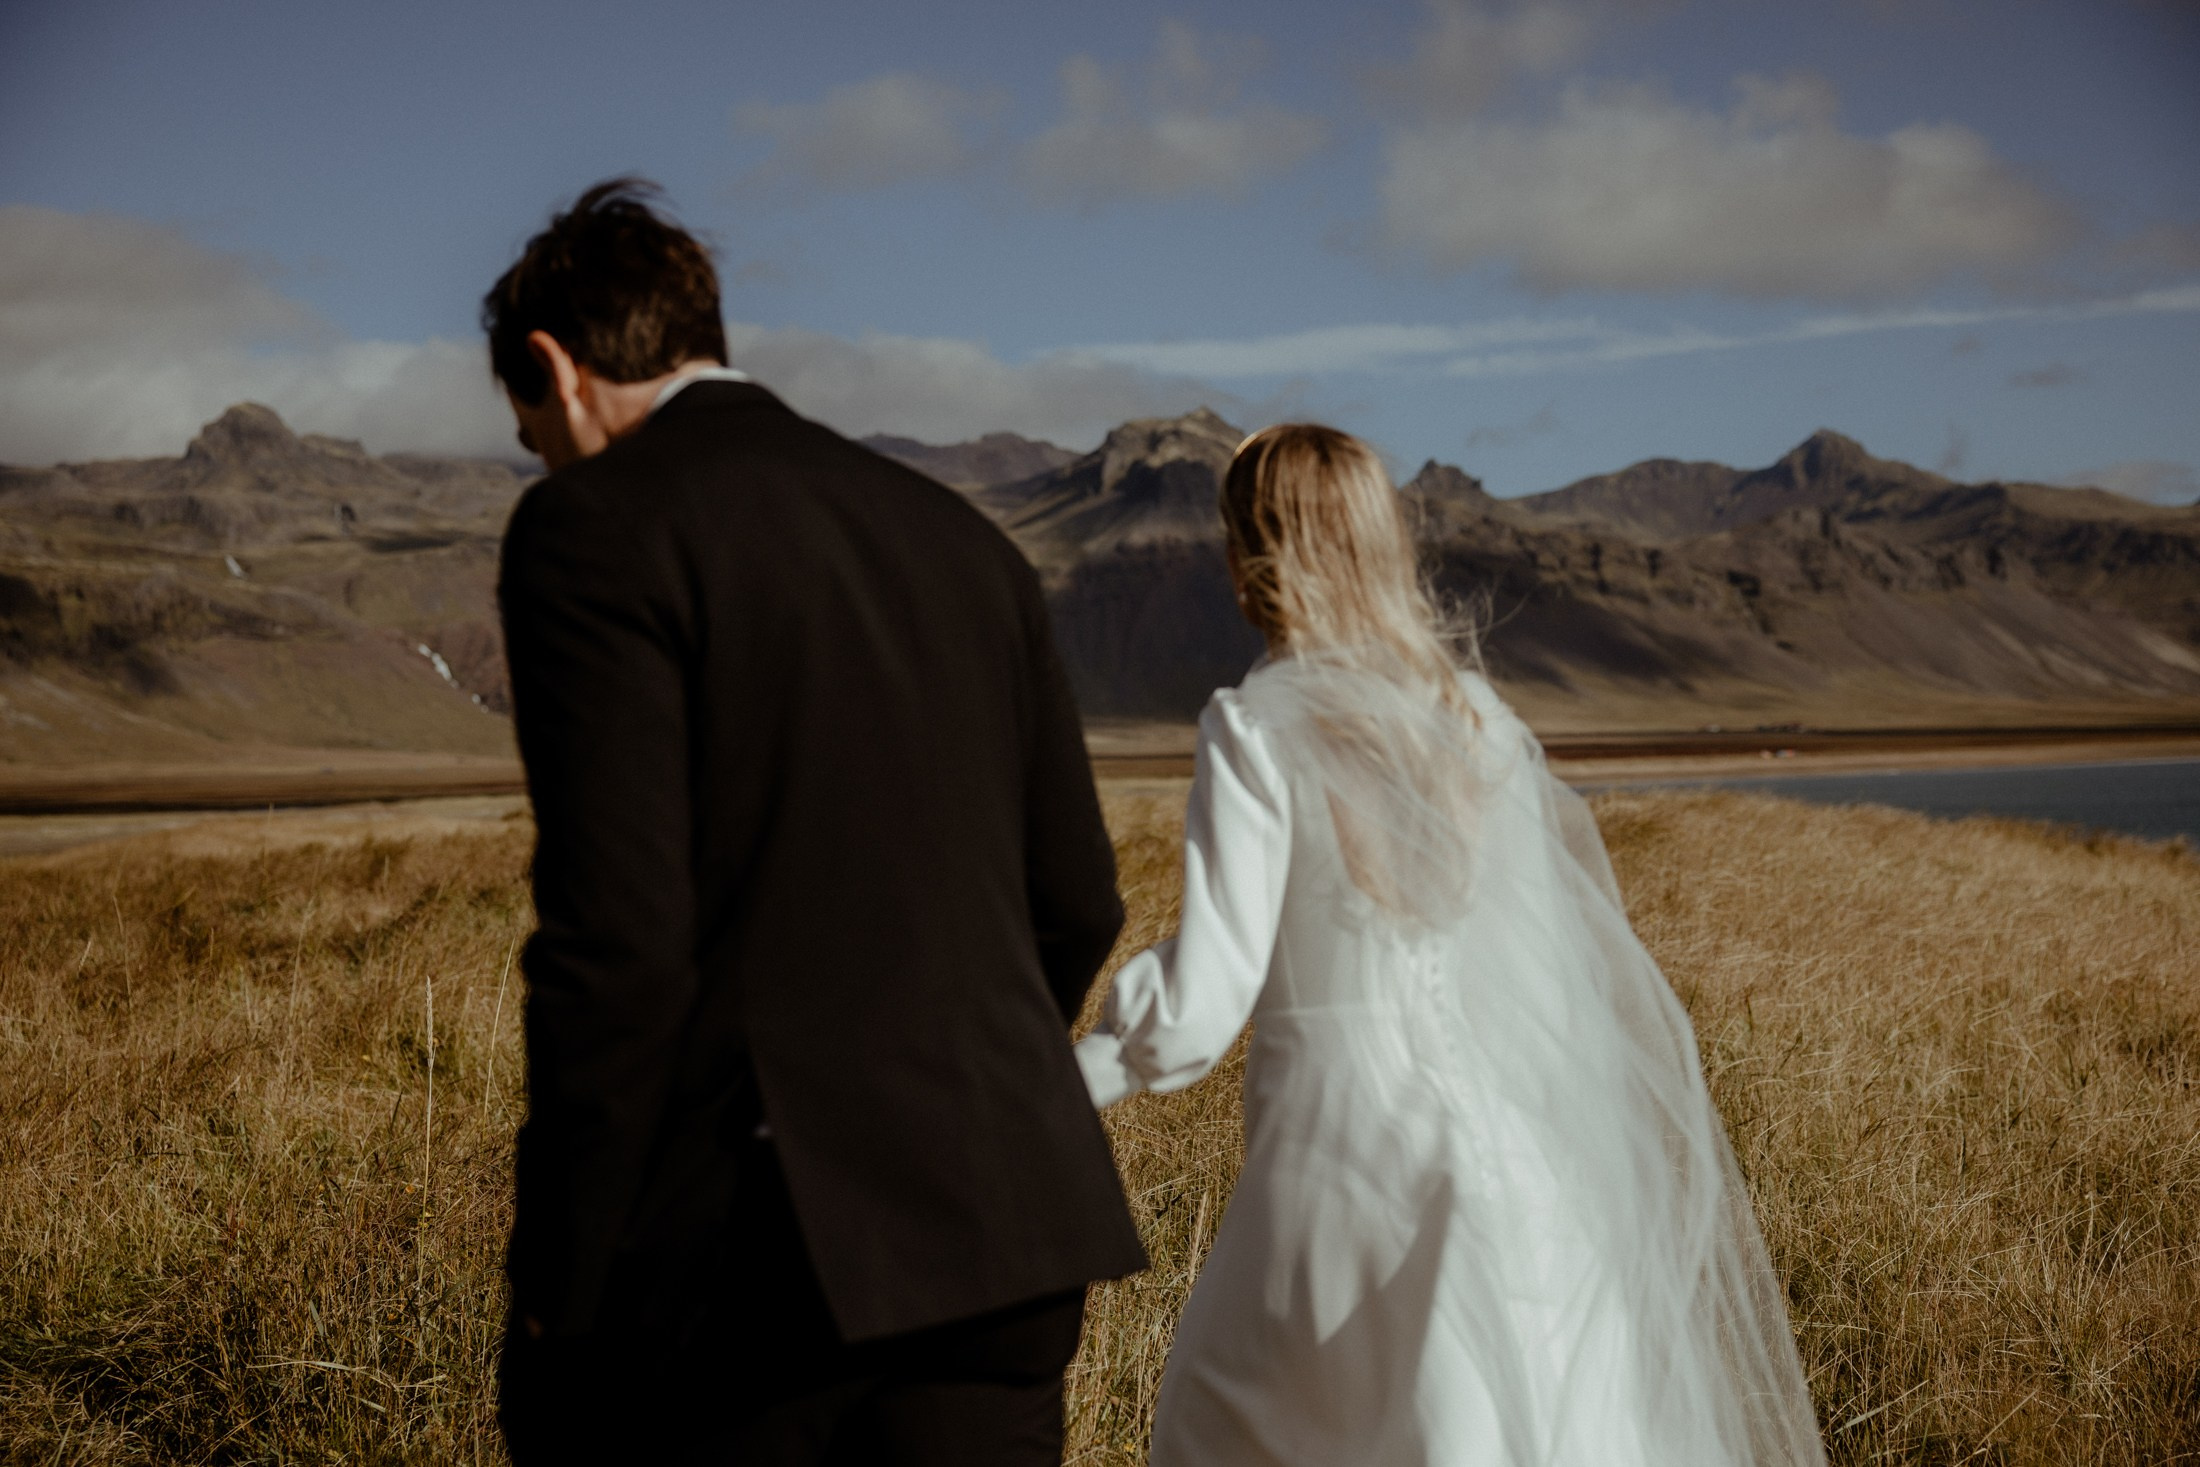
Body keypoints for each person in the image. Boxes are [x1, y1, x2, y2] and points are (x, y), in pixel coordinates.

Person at [486, 178, 1146, 1465]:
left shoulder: (594, 530)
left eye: (532, 431)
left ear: (556, 370)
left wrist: (562, 1287)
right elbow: (1078, 896)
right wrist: (958, 1084)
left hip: (756, 1273)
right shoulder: (965, 541)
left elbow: (616, 948)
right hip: (1008, 1236)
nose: (544, 461)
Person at [1073, 425, 1827, 1466]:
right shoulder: (1475, 717)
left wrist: (1062, 1083)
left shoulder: (1253, 727)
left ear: (1255, 547)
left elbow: (1201, 1011)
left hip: (1338, 1169)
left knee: (1233, 1418)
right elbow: (1544, 980)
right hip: (1518, 1171)